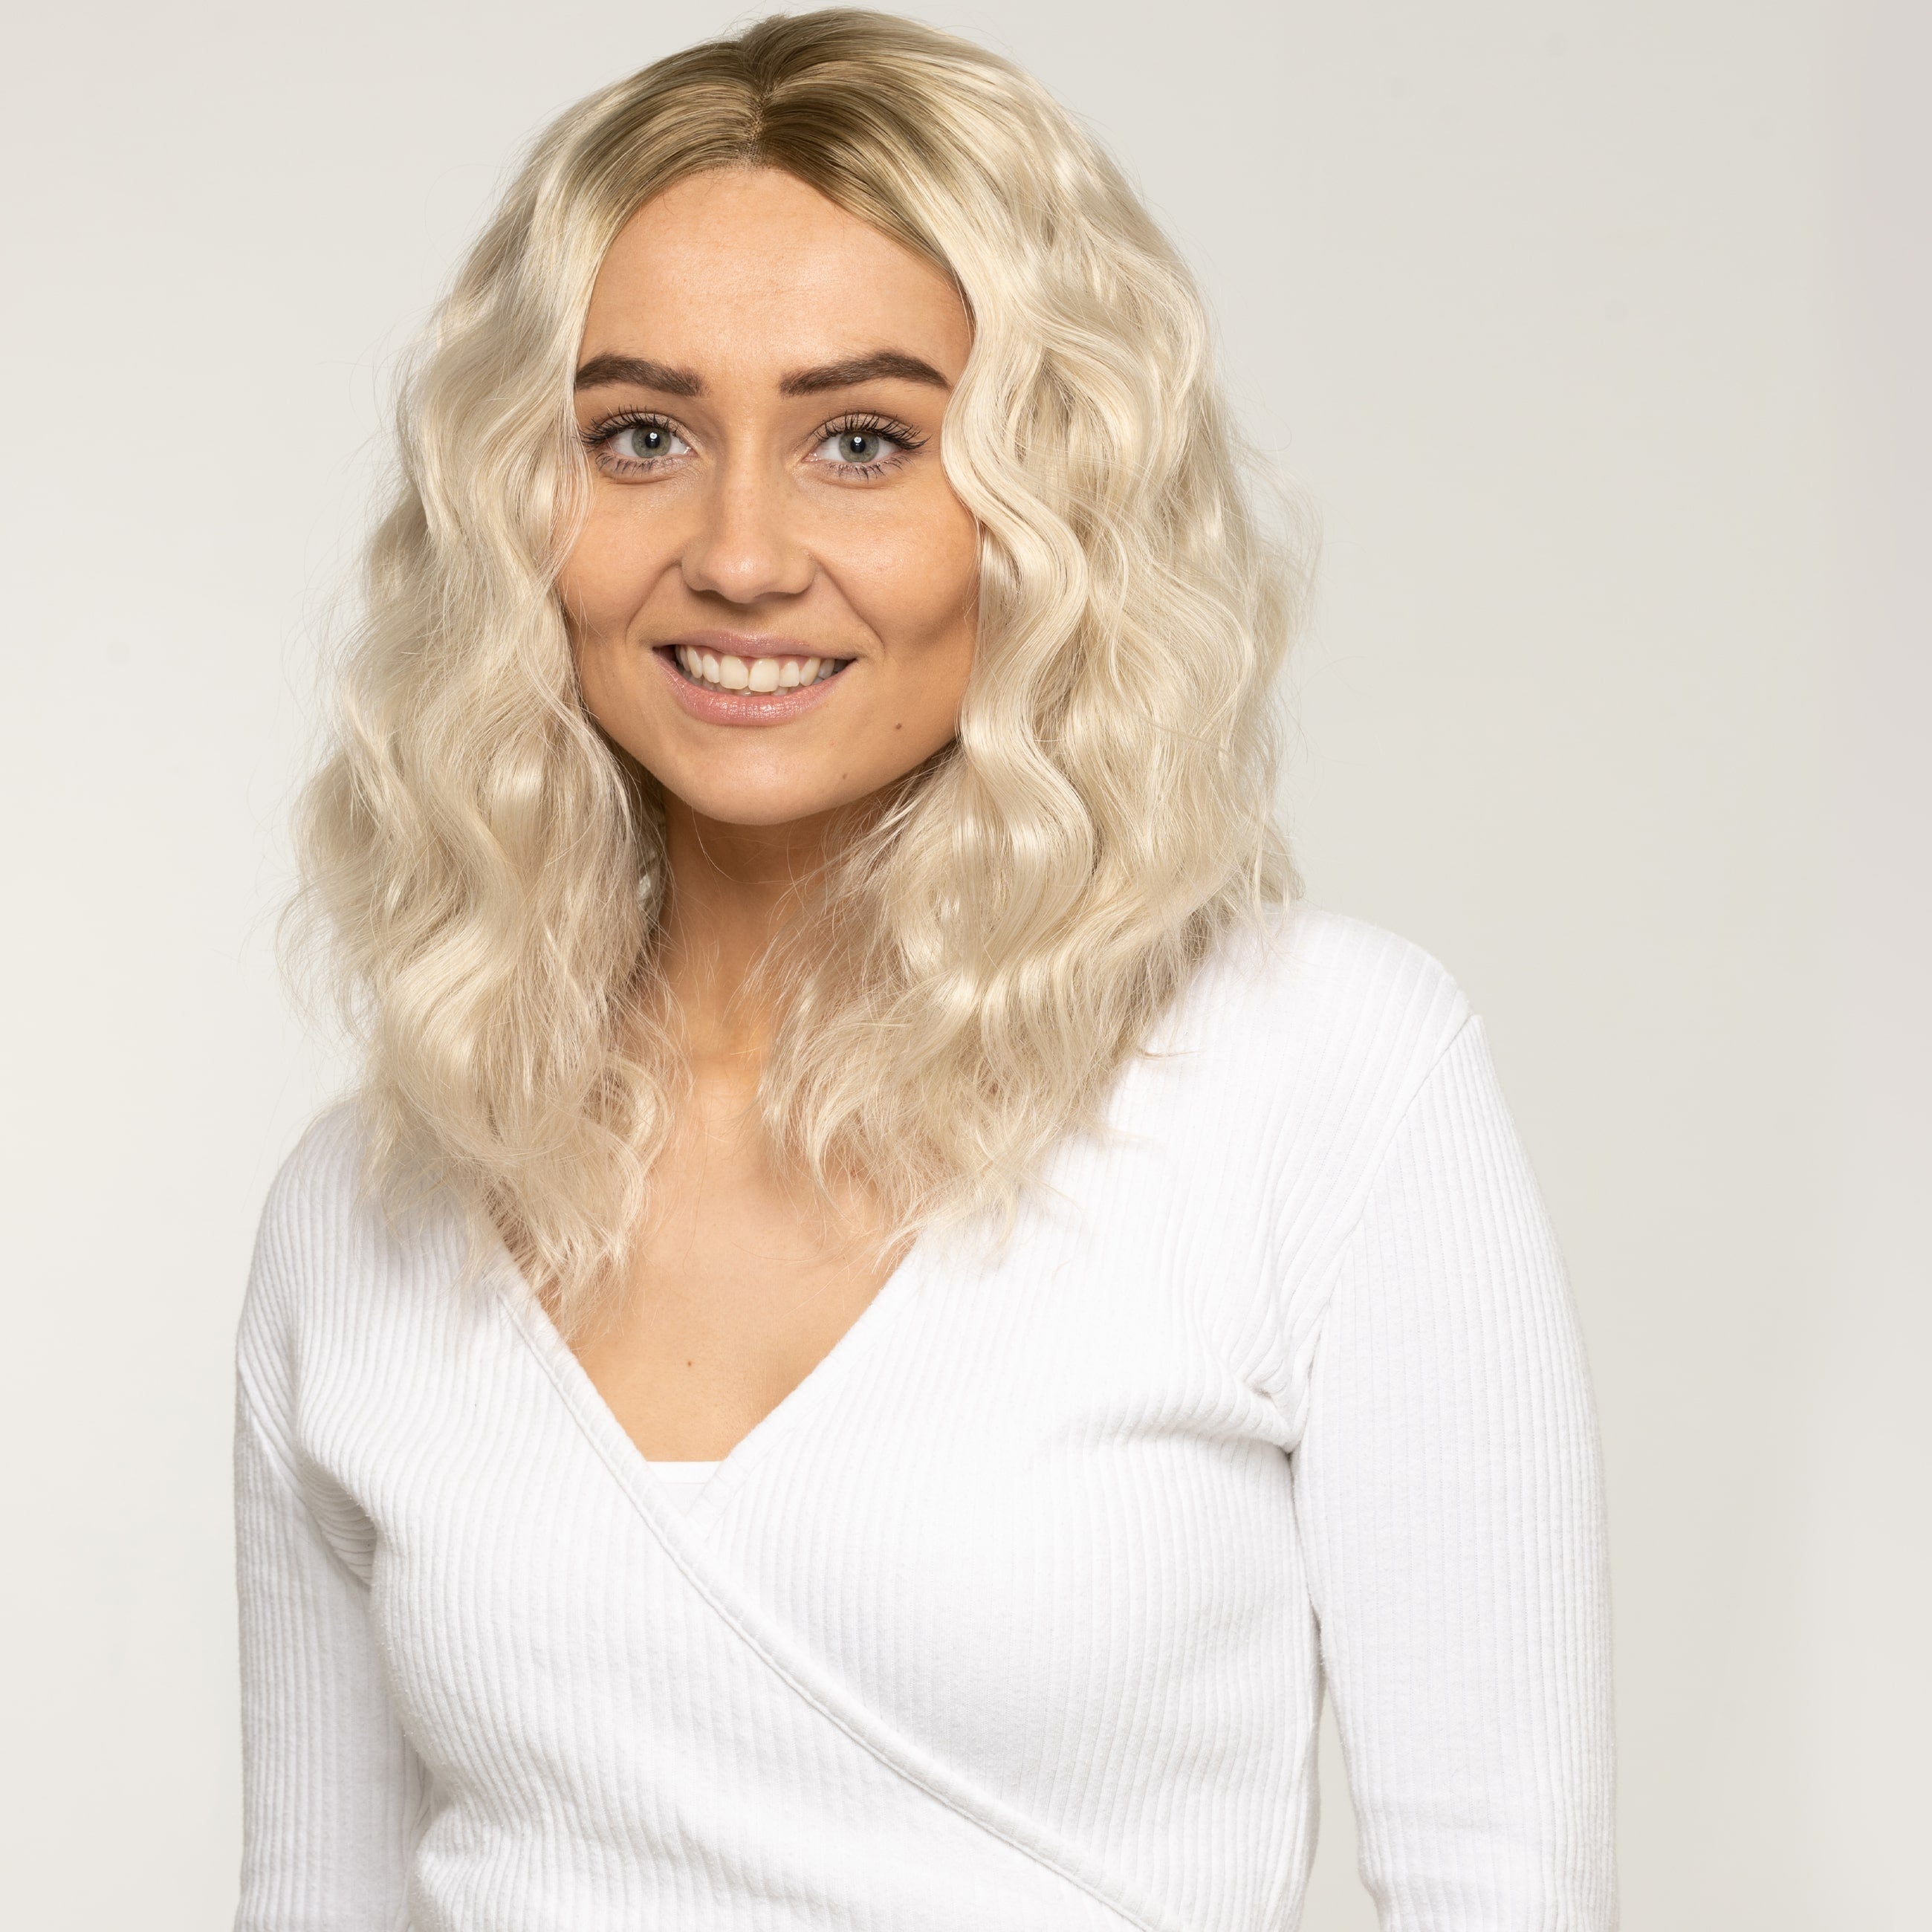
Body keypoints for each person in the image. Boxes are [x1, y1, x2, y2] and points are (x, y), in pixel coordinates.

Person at [233, 10, 1616, 1928]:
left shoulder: (1324, 1078)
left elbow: (1498, 1882)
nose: (739, 553)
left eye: (863, 441)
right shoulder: (364, 1210)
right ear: (515, 509)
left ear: (1052, 501)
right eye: (641, 436)